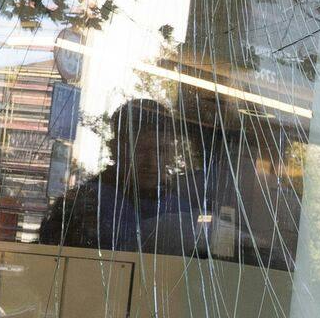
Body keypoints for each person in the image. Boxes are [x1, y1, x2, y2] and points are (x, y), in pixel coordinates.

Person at [38, 97, 200, 255]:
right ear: (116, 149)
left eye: (161, 150)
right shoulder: (84, 204)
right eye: (140, 150)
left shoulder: (180, 209)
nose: (152, 162)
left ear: (172, 153)